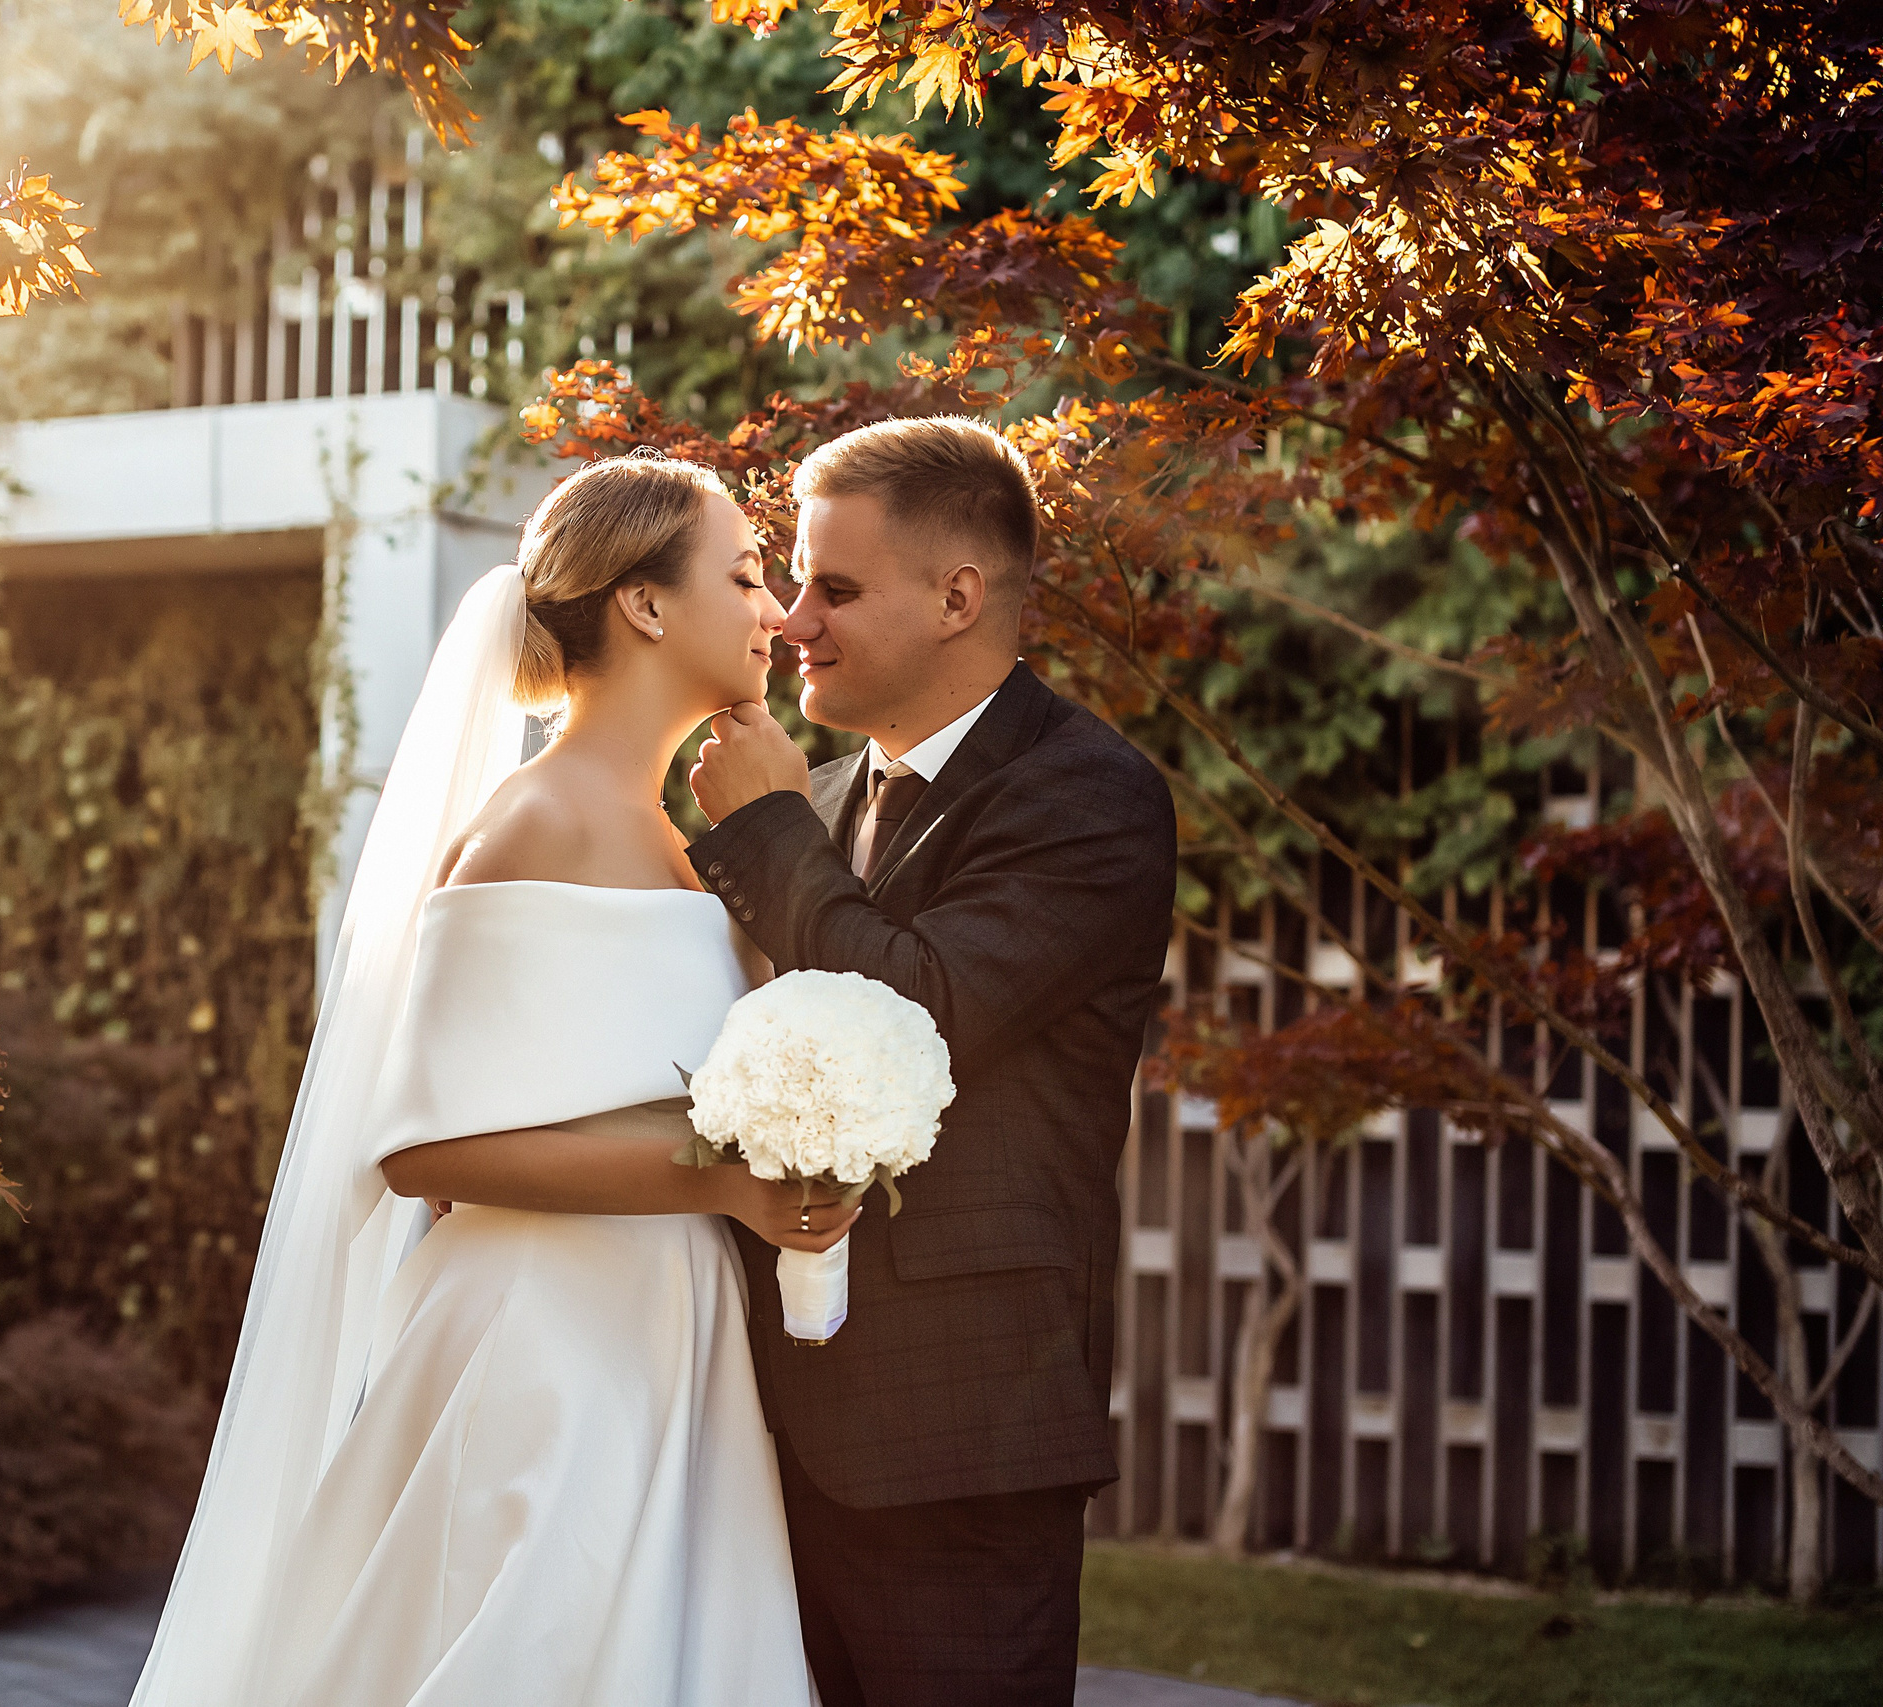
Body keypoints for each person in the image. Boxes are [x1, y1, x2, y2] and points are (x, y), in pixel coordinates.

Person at [127, 452, 843, 1707]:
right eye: (744, 575)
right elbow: (424, 1152)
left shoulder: (683, 833)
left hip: (666, 1332)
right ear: (645, 606)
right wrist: (723, 1187)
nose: (776, 612)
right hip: (543, 1340)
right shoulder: (536, 820)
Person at [687, 416, 1177, 1707]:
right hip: (755, 1431)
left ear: (961, 596)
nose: (793, 620)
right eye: (792, 583)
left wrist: (771, 827)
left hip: (958, 1445)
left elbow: (914, 1006)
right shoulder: (825, 794)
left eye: (834, 587)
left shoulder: (1089, 795)